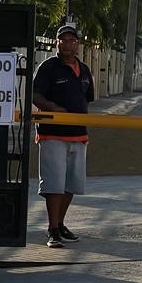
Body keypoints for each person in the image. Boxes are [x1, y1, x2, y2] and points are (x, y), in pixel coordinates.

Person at [32, 24, 94, 249]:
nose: (67, 44)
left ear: (78, 44)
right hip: (53, 135)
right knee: (54, 184)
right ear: (56, 43)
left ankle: (60, 223)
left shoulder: (84, 70)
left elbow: (87, 99)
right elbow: (35, 95)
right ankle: (52, 229)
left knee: (71, 184)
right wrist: (53, 108)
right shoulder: (48, 67)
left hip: (78, 136)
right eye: (63, 40)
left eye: (72, 40)